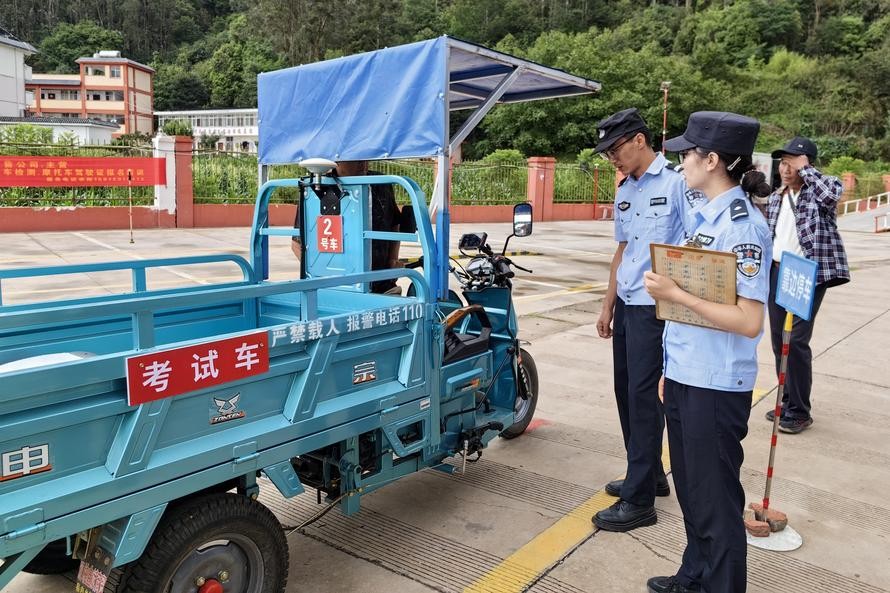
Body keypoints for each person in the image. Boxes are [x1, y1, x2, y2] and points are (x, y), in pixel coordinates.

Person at [643, 111, 773, 593]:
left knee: (716, 502)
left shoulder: (742, 228)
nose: (681, 163)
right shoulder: (704, 216)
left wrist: (675, 294)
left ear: (712, 160)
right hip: (687, 375)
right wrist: (671, 369)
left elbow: (749, 320)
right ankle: (694, 577)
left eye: (687, 154)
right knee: (693, 492)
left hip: (715, 385)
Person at [592, 108, 703, 533]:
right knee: (626, 391)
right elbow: (623, 251)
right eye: (607, 153)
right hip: (628, 305)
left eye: (615, 149)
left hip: (657, 309)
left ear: (639, 140)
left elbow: (696, 247)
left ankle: (639, 502)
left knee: (643, 397)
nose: (612, 158)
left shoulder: (677, 183)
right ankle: (649, 473)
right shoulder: (626, 189)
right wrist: (608, 305)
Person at [764, 137, 849, 434]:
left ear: (807, 165)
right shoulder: (777, 196)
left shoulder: (820, 192)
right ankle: (787, 401)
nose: (785, 169)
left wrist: (807, 170)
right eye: (783, 163)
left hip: (806, 274)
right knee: (779, 341)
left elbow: (833, 194)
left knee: (796, 341)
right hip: (777, 271)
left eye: (793, 164)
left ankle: (800, 411)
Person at [291, 160, 401, 294]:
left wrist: (393, 259)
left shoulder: (381, 183)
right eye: (354, 159)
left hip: (382, 284)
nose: (362, 163)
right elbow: (296, 244)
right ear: (338, 160)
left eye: (366, 157)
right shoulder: (317, 188)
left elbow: (395, 222)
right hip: (338, 290)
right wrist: (324, 277)